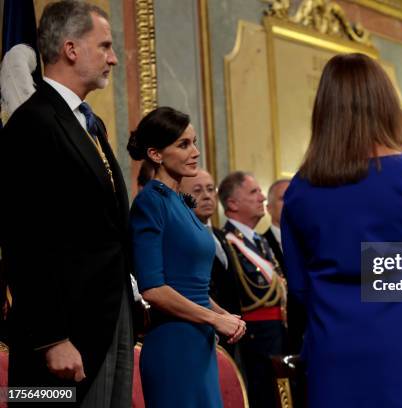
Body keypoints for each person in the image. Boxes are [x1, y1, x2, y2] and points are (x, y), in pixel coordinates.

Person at [281, 53, 402, 408]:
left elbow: (300, 288)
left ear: (324, 109)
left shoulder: (299, 190)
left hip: (333, 346)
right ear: (384, 104)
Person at [0, 2, 134, 406]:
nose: (113, 58)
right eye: (105, 46)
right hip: (63, 335)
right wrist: (50, 337)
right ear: (71, 49)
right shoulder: (32, 122)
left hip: (109, 315)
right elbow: (24, 239)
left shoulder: (88, 122)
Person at [128, 107, 246, 407]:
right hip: (173, 345)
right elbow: (153, 289)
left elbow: (191, 285)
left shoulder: (180, 203)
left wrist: (222, 315)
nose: (195, 152)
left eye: (194, 142)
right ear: (155, 154)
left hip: (200, 342)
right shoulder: (150, 203)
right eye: (183, 145)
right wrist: (214, 319)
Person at [218, 171, 287, 408]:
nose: (262, 198)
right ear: (232, 203)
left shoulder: (260, 241)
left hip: (276, 334)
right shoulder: (227, 242)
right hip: (254, 339)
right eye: (253, 192)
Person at [180, 168, 242, 355]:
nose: (207, 196)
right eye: (197, 191)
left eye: (210, 189)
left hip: (231, 331)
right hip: (202, 329)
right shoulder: (182, 238)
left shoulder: (222, 236)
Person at [264, 178, 306, 355]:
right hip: (280, 333)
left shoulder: (311, 240)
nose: (290, 202)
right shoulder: (261, 244)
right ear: (269, 208)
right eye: (283, 198)